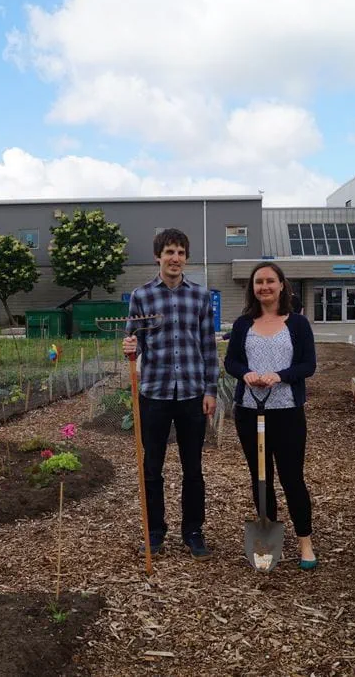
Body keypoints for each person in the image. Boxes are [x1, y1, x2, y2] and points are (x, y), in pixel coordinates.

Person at [122, 228, 218, 561]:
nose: (174, 258)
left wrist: (211, 390)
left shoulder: (201, 297)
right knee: (152, 467)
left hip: (192, 393)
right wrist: (128, 349)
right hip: (155, 393)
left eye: (180, 252)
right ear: (158, 257)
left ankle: (193, 531)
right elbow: (131, 345)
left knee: (193, 468)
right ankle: (154, 531)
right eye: (169, 252)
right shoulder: (142, 297)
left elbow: (208, 346)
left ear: (186, 258)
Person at [223, 262, 319, 570]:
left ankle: (305, 542)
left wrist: (280, 376)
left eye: (270, 281)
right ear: (253, 288)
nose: (264, 286)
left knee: (292, 478)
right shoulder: (242, 324)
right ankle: (269, 542)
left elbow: (308, 365)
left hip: (287, 412)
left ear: (281, 285)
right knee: (261, 477)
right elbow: (231, 362)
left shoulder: (297, 324)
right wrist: (247, 373)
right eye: (258, 282)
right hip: (250, 411)